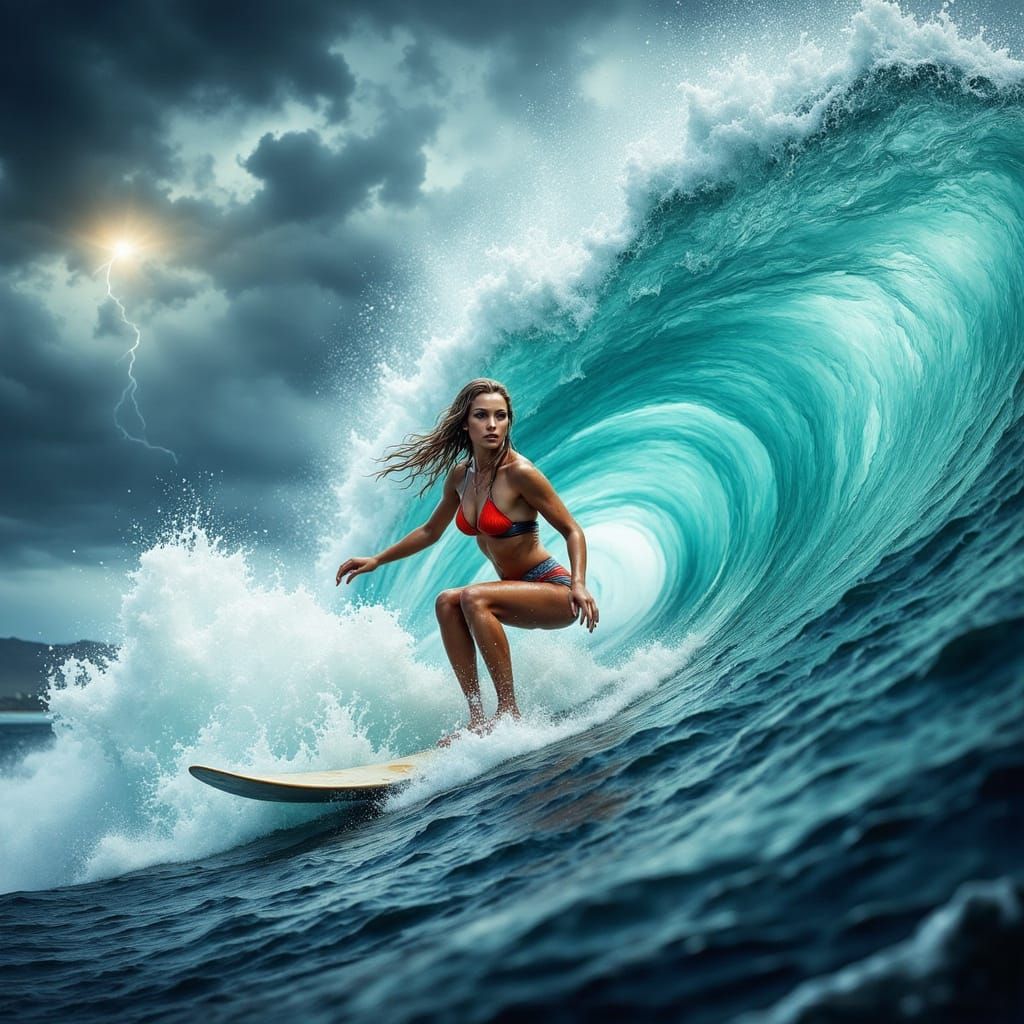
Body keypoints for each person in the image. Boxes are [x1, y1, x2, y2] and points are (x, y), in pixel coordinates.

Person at [336, 378, 599, 745]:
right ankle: (477, 718)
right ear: (465, 423)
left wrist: (579, 584)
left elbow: (572, 529)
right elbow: (430, 531)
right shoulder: (461, 476)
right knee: (446, 601)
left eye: (500, 416)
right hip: (514, 590)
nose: (492, 425)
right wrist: (377, 559)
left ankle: (508, 713)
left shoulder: (520, 473)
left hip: (555, 590)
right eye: (481, 416)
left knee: (473, 597)